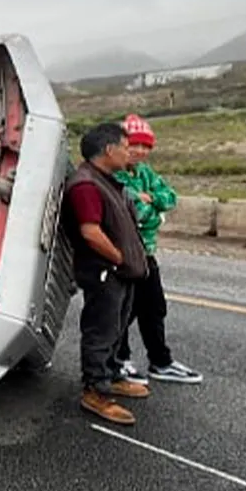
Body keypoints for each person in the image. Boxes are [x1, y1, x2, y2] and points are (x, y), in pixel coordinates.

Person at [62, 121, 151, 425]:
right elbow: (90, 232)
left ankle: (111, 376)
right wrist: (119, 257)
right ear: (109, 149)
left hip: (120, 272)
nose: (130, 154)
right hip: (105, 272)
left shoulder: (107, 180)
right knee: (101, 331)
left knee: (116, 327)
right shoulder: (86, 184)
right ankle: (95, 391)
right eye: (126, 148)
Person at [113, 114, 204, 385]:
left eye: (146, 146)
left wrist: (150, 199)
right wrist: (153, 209)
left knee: (153, 307)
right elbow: (138, 215)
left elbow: (170, 198)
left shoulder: (144, 174)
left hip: (146, 254)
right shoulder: (114, 175)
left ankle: (160, 361)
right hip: (123, 254)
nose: (140, 151)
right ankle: (119, 360)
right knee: (123, 310)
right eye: (134, 144)